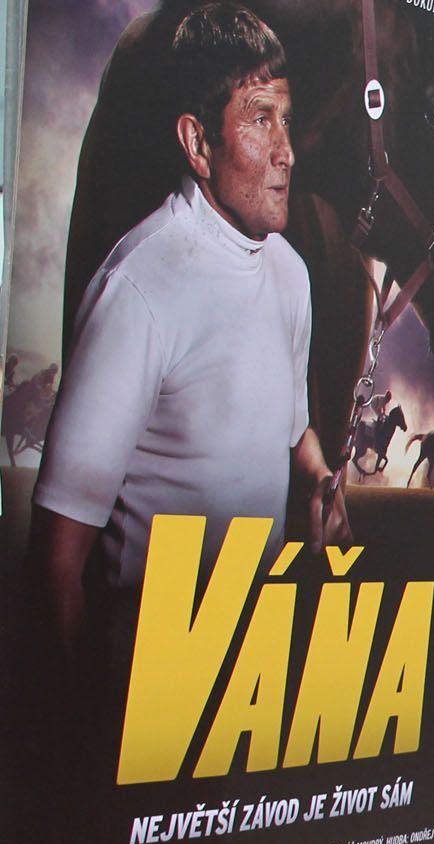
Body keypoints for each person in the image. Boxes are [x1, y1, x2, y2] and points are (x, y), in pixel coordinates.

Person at [29, 2, 347, 674]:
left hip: (252, 667)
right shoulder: (140, 288)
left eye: (285, 118)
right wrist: (80, 736)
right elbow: (56, 557)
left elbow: (292, 430)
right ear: (198, 144)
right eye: (261, 118)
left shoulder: (290, 272)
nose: (288, 150)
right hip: (141, 670)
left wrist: (319, 476)